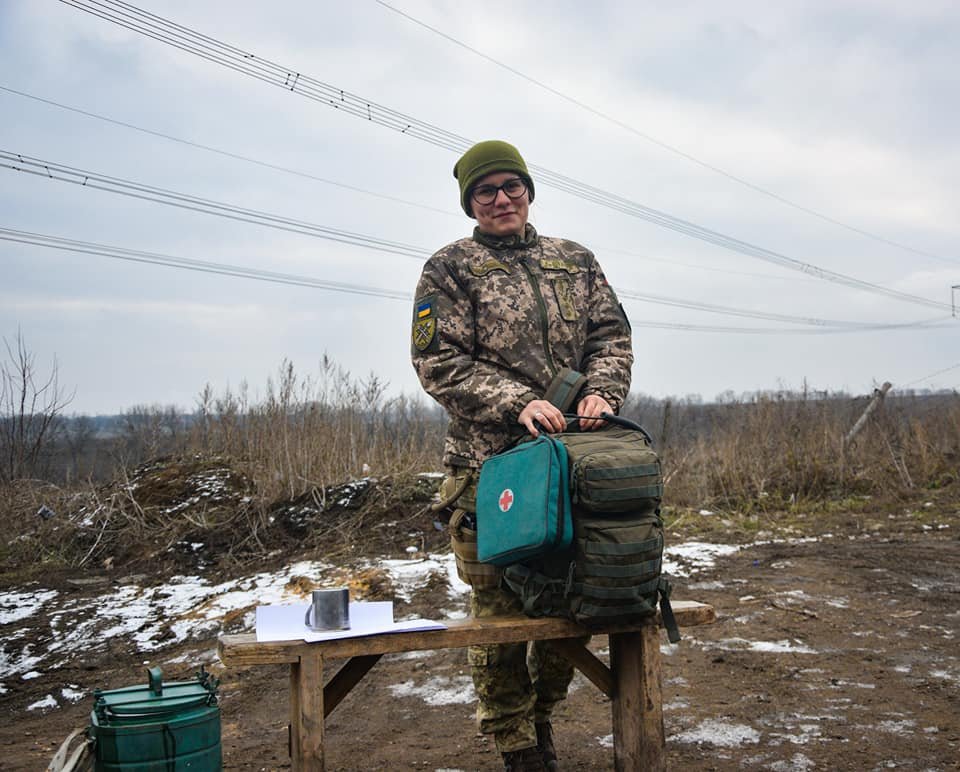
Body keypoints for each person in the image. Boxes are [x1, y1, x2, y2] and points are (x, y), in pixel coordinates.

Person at [411, 140, 633, 771]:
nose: (502, 199)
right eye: (487, 191)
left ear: (529, 191)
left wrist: (600, 391)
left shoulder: (575, 260)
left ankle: (540, 720)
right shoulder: (449, 269)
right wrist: (516, 402)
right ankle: (515, 745)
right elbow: (438, 361)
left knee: (571, 606)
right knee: (499, 616)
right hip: (489, 472)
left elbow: (611, 336)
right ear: (470, 203)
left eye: (513, 186)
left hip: (570, 466)